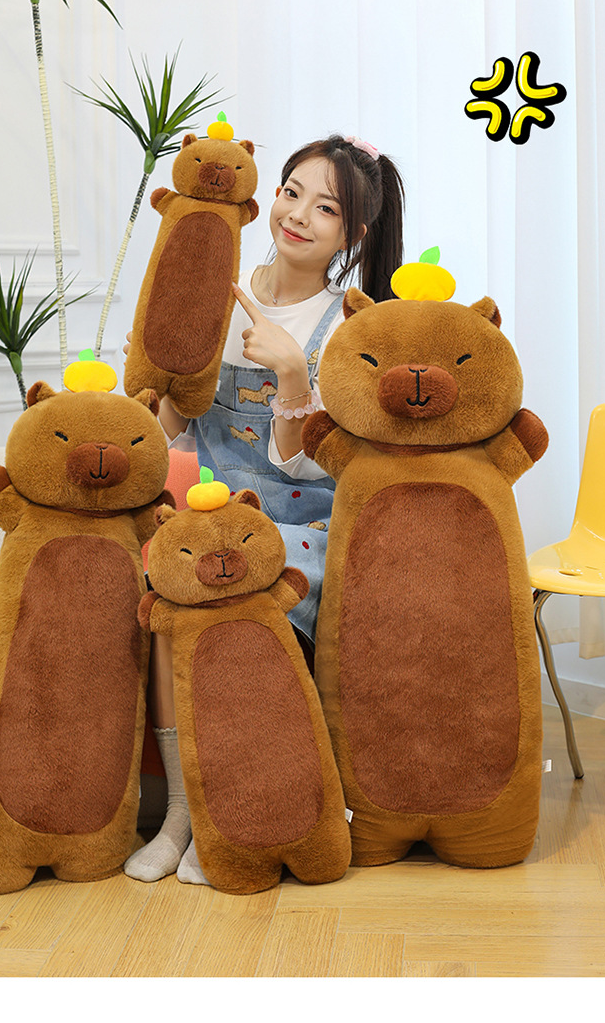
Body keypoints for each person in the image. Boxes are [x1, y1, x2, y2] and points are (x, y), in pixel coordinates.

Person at [124, 133, 405, 885]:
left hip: (309, 526)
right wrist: (159, 374)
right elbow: (174, 432)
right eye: (291, 191)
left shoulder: (350, 324)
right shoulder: (214, 290)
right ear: (266, 197)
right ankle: (181, 814)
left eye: (326, 208)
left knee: (230, 580)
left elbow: (317, 465)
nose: (299, 215)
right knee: (170, 583)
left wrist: (291, 376)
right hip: (216, 517)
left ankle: (237, 813)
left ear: (353, 235)